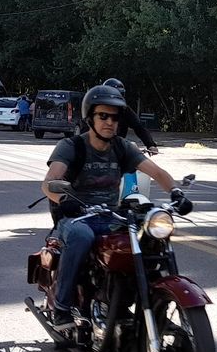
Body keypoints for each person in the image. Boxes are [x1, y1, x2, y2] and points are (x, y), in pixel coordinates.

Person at [41, 85, 193, 326]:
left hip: (111, 216)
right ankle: (62, 307)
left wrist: (176, 192)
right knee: (81, 236)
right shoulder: (72, 146)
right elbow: (49, 182)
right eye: (103, 116)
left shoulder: (123, 147)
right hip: (77, 216)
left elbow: (156, 172)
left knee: (151, 236)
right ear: (90, 117)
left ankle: (147, 301)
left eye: (114, 117)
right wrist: (64, 200)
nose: (109, 122)